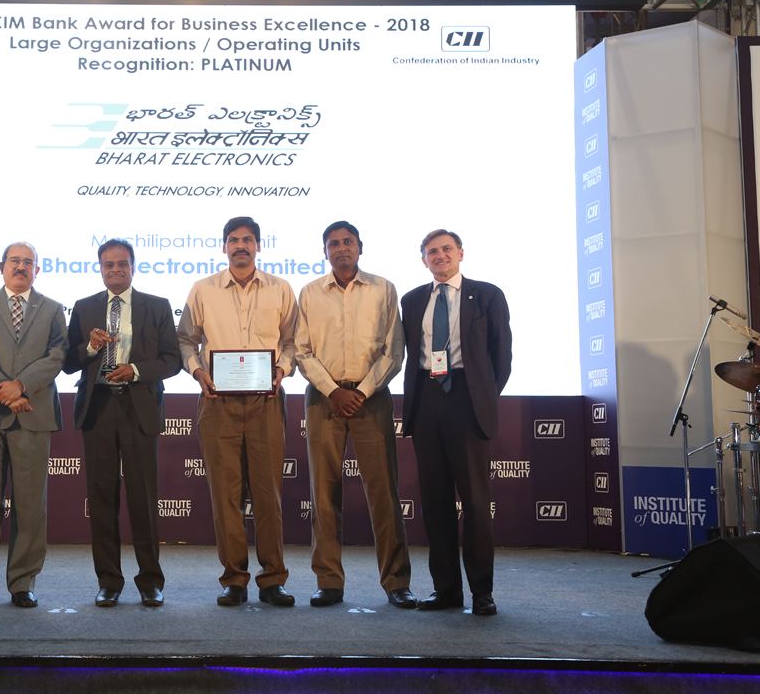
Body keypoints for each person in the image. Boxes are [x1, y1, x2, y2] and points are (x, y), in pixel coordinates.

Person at [176, 216, 299, 607]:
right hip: (218, 402)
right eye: (233, 240)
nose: (240, 245)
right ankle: (234, 579)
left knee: (268, 494)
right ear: (224, 246)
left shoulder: (281, 289)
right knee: (225, 495)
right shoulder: (203, 290)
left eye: (247, 239)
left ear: (259, 246)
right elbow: (185, 340)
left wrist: (282, 369)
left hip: (266, 400)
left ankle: (272, 579)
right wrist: (198, 372)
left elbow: (293, 341)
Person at [294, 221, 416, 610]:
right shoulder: (310, 293)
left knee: (384, 494)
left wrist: (361, 392)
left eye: (348, 242)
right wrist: (334, 391)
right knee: (323, 494)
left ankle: (396, 582)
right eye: (334, 243)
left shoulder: (383, 289)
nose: (342, 248)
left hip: (372, 400)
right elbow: (301, 351)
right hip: (324, 400)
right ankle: (328, 582)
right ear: (325, 252)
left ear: (360, 247)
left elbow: (393, 350)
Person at [64, 239, 181, 608]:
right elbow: (68, 362)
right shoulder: (84, 307)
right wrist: (90, 348)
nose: (115, 270)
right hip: (97, 408)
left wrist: (136, 370)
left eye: (122, 264)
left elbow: (172, 360)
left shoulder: (157, 306)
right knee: (101, 499)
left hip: (138, 407)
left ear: (133, 266)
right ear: (100, 268)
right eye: (108, 265)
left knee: (143, 499)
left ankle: (150, 581)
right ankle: (108, 581)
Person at [401, 229, 511, 616]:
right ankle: (446, 590)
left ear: (460, 253)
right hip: (427, 400)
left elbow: (502, 356)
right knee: (435, 503)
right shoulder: (412, 300)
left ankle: (482, 591)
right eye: (432, 251)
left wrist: (481, 395)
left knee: (476, 504)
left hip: (468, 400)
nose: (440, 256)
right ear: (424, 260)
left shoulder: (487, 295)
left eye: (447, 249)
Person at [0, 242, 67, 609]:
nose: (20, 267)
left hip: (33, 413)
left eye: (28, 262)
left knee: (30, 505)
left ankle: (23, 582)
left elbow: (57, 356)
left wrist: (21, 386)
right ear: (1, 266)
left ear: (37, 270)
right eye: (14, 261)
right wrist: (5, 391)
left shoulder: (53, 309)